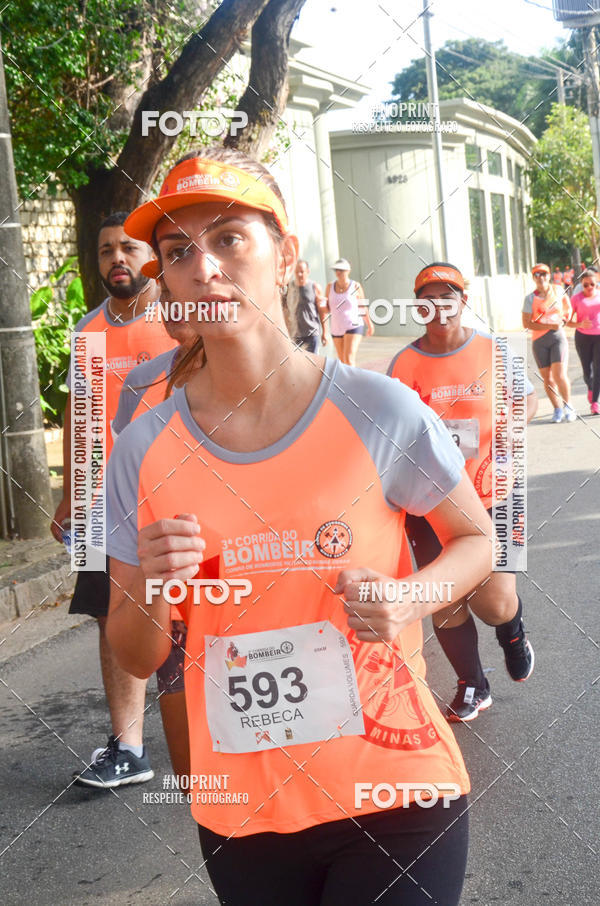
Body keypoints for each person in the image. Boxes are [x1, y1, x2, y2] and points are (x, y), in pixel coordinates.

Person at [105, 148, 495, 905]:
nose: (204, 268)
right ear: (167, 281)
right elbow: (136, 651)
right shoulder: (143, 449)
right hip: (245, 812)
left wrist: (410, 597)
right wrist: (152, 583)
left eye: (229, 239)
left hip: (396, 785)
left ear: (284, 256)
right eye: (179, 251)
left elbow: (476, 539)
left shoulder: (376, 408)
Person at [51, 211, 177, 788]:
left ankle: (218, 731)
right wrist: (69, 497)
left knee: (199, 611)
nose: (117, 259)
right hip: (105, 501)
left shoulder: (176, 320)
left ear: (149, 256)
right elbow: (80, 416)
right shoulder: (88, 331)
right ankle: (128, 748)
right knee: (109, 616)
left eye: (128, 247)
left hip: (178, 495)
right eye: (106, 250)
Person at [388, 262, 537, 721]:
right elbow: (389, 429)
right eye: (429, 298)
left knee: (494, 602)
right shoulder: (403, 364)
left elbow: (528, 398)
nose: (439, 306)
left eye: (447, 296)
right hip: (430, 502)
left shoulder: (495, 351)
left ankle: (512, 631)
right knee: (444, 594)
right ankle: (473, 684)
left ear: (463, 301)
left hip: (495, 493)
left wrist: (510, 426)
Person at [522, 263, 575, 423]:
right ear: (533, 278)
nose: (541, 278)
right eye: (537, 275)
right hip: (539, 341)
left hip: (557, 337)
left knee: (559, 375)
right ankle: (557, 409)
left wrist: (564, 320)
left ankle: (568, 406)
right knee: (548, 379)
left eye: (544, 274)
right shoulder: (530, 298)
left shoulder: (558, 290)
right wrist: (549, 326)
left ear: (549, 275)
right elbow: (527, 323)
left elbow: (568, 308)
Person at [324, 258, 373, 366]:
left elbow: (362, 306)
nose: (338, 272)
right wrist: (320, 303)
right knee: (342, 362)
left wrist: (369, 324)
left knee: (349, 358)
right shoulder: (329, 287)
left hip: (353, 325)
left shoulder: (355, 286)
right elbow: (326, 309)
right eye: (336, 270)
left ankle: (354, 378)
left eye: (341, 270)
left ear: (348, 271)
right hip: (336, 328)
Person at [567, 268, 600, 415]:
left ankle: (595, 403)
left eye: (592, 284)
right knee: (587, 371)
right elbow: (567, 321)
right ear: (581, 284)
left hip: (599, 336)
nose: (589, 287)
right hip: (582, 337)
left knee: (598, 369)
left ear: (596, 284)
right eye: (586, 285)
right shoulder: (576, 299)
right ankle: (591, 388)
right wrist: (579, 324)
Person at [284, 259, 327, 353]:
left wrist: (325, 332)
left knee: (312, 361)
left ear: (308, 272)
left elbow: (322, 311)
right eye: (297, 272)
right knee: (297, 361)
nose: (299, 274)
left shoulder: (315, 287)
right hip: (295, 334)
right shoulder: (289, 287)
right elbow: (285, 310)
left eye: (302, 272)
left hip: (312, 333)